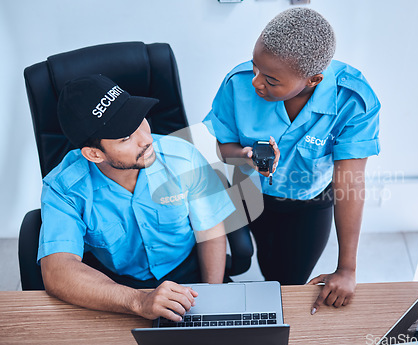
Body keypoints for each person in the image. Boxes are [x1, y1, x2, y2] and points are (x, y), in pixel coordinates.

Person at [203, 8, 380, 314]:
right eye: (255, 67)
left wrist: (347, 269)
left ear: (313, 79)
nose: (256, 82)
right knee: (264, 262)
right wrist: (243, 157)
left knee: (288, 281)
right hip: (251, 194)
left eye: (270, 80)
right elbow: (224, 145)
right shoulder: (238, 82)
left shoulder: (354, 100)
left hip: (308, 203)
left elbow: (349, 183)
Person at [38, 74, 235, 321]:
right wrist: (137, 301)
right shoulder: (63, 188)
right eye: (125, 137)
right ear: (94, 154)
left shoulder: (183, 157)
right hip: (118, 286)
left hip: (190, 273)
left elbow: (211, 232)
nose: (146, 139)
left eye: (140, 120)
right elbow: (57, 271)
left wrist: (211, 301)